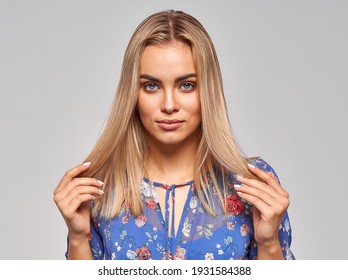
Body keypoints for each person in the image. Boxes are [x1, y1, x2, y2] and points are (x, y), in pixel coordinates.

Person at [54, 10, 294, 260]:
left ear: (207, 91)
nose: (169, 105)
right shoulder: (100, 187)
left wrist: (269, 244)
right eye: (151, 86)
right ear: (132, 94)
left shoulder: (251, 184)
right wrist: (78, 237)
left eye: (186, 85)